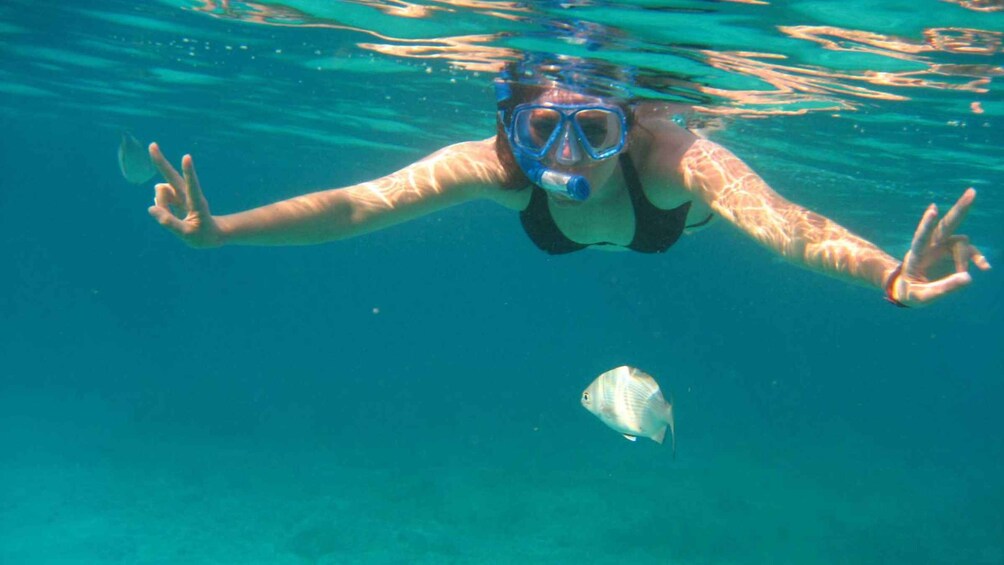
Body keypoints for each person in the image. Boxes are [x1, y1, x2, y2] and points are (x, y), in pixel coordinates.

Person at [146, 59, 990, 308]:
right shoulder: (501, 167)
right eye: (543, 125)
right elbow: (364, 203)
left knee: (717, 192)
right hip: (614, 226)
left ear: (627, 125)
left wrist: (886, 271)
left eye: (596, 127)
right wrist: (227, 231)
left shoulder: (671, 159)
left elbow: (784, 225)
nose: (571, 153)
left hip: (671, 224)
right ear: (513, 124)